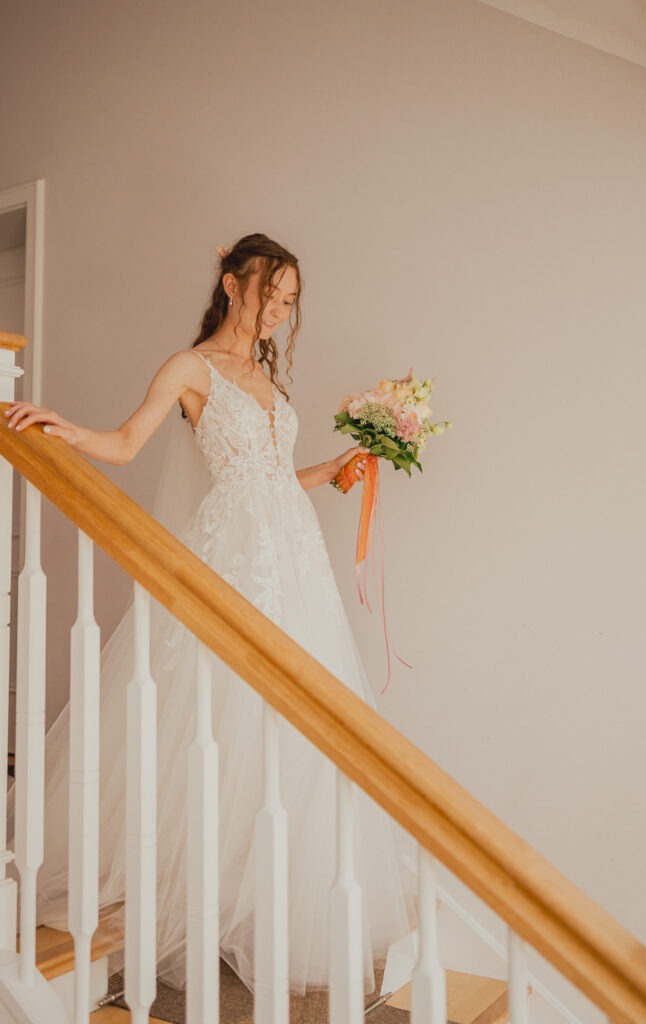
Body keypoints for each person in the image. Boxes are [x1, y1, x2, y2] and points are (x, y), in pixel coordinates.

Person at [4, 232, 416, 995]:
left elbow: (269, 479)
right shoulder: (188, 367)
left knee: (293, 723)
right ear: (233, 284)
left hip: (291, 560)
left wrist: (332, 468)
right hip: (230, 560)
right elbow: (128, 443)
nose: (279, 314)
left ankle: (256, 900)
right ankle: (187, 890)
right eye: (272, 296)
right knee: (216, 712)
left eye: (291, 303)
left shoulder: (264, 375)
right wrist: (64, 429)